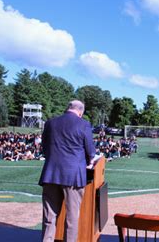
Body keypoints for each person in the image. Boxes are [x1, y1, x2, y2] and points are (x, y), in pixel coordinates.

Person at [38, 100, 96, 242]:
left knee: (49, 218)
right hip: (73, 177)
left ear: (67, 108)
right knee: (71, 219)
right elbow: (91, 151)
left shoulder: (50, 123)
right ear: (81, 112)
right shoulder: (84, 124)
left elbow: (44, 148)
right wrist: (90, 160)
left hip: (51, 174)